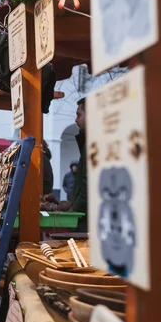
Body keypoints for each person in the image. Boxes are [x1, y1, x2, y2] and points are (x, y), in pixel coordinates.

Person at [72, 98, 88, 231]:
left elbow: (87, 185)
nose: (76, 120)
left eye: (79, 115)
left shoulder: (92, 143)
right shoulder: (87, 141)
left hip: (85, 220)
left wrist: (73, 209)